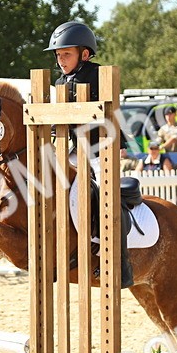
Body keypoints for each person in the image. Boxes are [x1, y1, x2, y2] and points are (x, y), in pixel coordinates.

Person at [44, 20, 132, 288]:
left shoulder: (97, 75)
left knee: (107, 196)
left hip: (100, 147)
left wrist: (122, 143)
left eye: (66, 54)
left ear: (84, 54)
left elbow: (112, 112)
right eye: (58, 55)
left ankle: (119, 261)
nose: (61, 60)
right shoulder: (60, 81)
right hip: (72, 149)